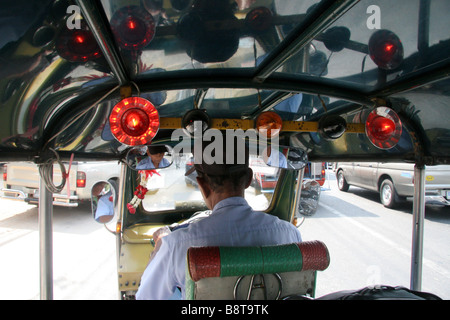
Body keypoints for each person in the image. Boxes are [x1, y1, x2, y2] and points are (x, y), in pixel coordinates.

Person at [136, 137, 302, 300]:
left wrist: (159, 246)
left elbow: (145, 297)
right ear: (248, 179)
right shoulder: (290, 234)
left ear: (202, 185)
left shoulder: (176, 245)